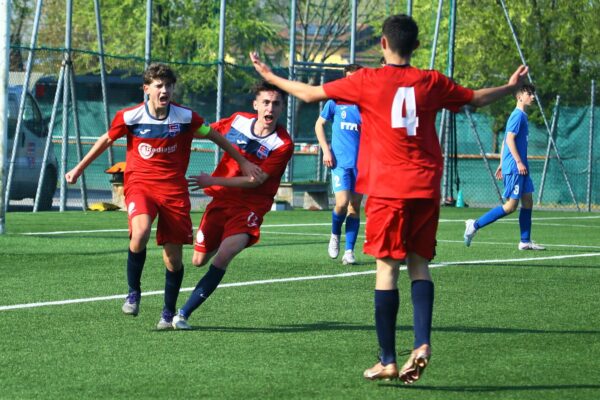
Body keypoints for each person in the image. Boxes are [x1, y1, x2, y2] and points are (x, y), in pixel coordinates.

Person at [250, 14, 528, 384]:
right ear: (414, 47)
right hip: (425, 189)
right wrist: (511, 87)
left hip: (386, 190)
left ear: (382, 44)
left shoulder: (365, 81)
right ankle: (422, 342)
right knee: (419, 266)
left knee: (386, 270)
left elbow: (308, 93)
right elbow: (476, 98)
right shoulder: (431, 81)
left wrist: (270, 78)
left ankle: (387, 359)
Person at [65, 63, 262, 330]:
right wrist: (78, 168)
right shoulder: (130, 117)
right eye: (158, 85)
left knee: (174, 259)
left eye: (168, 85)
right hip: (140, 185)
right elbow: (106, 140)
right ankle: (133, 292)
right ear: (147, 89)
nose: (164, 90)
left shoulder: (185, 117)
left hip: (173, 192)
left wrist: (243, 161)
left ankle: (168, 313)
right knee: (141, 231)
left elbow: (216, 136)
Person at [171, 81, 293, 330]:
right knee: (197, 260)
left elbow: (255, 181)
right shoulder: (238, 120)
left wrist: (211, 179)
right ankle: (220, 242)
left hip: (250, 207)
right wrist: (175, 131)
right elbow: (207, 131)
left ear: (282, 109)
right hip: (221, 201)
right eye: (266, 102)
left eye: (277, 103)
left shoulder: (282, 144)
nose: (271, 108)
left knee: (225, 254)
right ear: (256, 104)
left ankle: (183, 314)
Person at [464, 84, 545, 250]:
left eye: (533, 94)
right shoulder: (517, 116)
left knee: (528, 201)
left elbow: (504, 142)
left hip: (518, 166)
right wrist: (518, 162)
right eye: (530, 94)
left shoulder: (522, 116)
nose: (533, 97)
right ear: (520, 96)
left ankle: (525, 241)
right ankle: (474, 225)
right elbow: (509, 140)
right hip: (517, 167)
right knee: (510, 207)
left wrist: (502, 162)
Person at [314, 64, 363, 265]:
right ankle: (335, 235)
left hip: (362, 164)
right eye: (349, 78)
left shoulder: (368, 104)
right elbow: (319, 125)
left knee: (355, 207)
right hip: (340, 162)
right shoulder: (335, 101)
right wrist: (326, 150)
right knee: (342, 203)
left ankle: (349, 251)